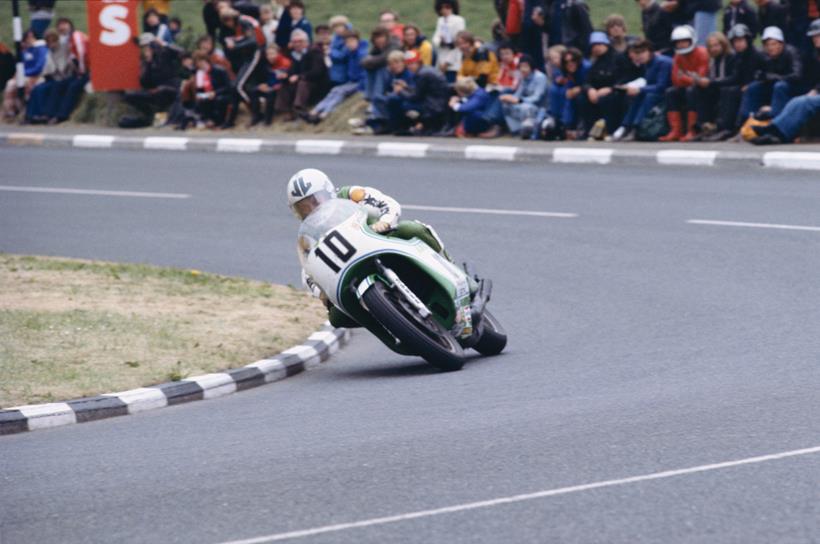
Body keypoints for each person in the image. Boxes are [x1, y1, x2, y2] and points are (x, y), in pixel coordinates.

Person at [288, 168, 472, 336]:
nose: (311, 209)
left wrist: (384, 222)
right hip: (351, 269)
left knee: (412, 229)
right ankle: (391, 326)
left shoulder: (351, 195)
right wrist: (322, 293)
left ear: (328, 190)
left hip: (383, 241)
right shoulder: (309, 234)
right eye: (302, 208)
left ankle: (455, 273)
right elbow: (309, 268)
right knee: (336, 316)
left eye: (314, 201)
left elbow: (388, 204)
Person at [751, 19, 820, 144]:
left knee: (804, 102)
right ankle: (774, 131)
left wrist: (816, 90)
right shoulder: (815, 54)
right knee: (795, 101)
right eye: (814, 36)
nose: (815, 38)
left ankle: (777, 133)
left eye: (818, 35)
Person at [738, 26, 802, 122]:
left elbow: (797, 75)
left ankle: (775, 120)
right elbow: (758, 73)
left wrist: (777, 77)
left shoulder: (791, 52)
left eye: (773, 44)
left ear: (781, 44)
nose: (770, 48)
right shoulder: (763, 55)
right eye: (767, 45)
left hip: (790, 86)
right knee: (751, 88)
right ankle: (747, 119)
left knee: (779, 86)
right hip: (772, 84)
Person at [613, 39, 673, 141]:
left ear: (650, 51)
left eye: (641, 52)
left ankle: (636, 127)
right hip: (655, 91)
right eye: (636, 53)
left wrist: (639, 89)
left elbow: (661, 86)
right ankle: (626, 126)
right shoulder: (647, 64)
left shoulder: (663, 62)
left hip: (667, 92)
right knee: (638, 95)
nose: (639, 56)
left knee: (647, 96)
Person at [304, 29, 368, 124]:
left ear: (357, 41)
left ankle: (324, 113)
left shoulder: (362, 54)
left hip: (359, 83)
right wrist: (331, 51)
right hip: (351, 81)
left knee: (340, 92)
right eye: (347, 42)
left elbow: (365, 73)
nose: (350, 44)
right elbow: (340, 56)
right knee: (334, 90)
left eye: (352, 41)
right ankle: (315, 111)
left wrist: (362, 86)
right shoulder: (350, 53)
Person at [659, 25, 710, 141]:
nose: (681, 45)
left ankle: (692, 130)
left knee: (691, 91)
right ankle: (676, 130)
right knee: (670, 92)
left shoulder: (702, 53)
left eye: (684, 41)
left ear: (692, 40)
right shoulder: (678, 56)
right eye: (678, 42)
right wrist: (689, 77)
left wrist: (685, 77)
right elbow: (675, 79)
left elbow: (699, 79)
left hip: (703, 89)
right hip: (686, 87)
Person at [220, 7, 267, 127]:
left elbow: (253, 41)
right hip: (248, 55)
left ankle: (258, 110)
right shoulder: (242, 21)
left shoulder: (243, 22)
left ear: (231, 19)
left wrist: (235, 44)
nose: (228, 25)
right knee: (237, 85)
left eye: (227, 22)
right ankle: (231, 120)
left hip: (256, 53)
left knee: (238, 86)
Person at [122, 33, 182, 126]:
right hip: (156, 90)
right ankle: (149, 115)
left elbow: (181, 52)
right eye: (143, 48)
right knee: (129, 96)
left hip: (170, 88)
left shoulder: (165, 53)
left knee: (162, 91)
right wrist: (148, 64)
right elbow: (145, 83)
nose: (145, 50)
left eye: (147, 47)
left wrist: (163, 43)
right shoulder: (147, 61)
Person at [389, 49, 450, 134]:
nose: (410, 67)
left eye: (413, 63)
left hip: (435, 107)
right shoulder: (425, 70)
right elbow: (420, 91)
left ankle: (406, 127)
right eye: (408, 64)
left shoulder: (422, 74)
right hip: (437, 102)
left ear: (419, 62)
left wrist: (400, 91)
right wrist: (406, 87)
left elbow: (415, 97)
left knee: (404, 104)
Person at [274, 29, 329, 120]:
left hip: (317, 83)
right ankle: (285, 110)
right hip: (302, 81)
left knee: (303, 83)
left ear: (307, 42)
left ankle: (299, 108)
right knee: (285, 83)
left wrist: (299, 76)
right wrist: (286, 76)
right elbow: (292, 71)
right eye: (295, 42)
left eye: (300, 41)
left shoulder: (315, 51)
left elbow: (318, 71)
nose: (298, 44)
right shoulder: (294, 55)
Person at [691, 31, 736, 139]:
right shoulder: (712, 60)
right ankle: (704, 124)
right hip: (716, 87)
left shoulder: (732, 57)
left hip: (730, 87)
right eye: (711, 46)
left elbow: (734, 78)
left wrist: (711, 82)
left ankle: (722, 127)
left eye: (716, 45)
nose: (714, 49)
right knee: (697, 89)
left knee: (727, 91)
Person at [580, 31, 622, 140]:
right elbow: (587, 81)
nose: (596, 48)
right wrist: (590, 90)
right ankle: (590, 131)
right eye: (594, 45)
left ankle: (609, 130)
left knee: (609, 100)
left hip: (613, 91)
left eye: (599, 44)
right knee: (582, 99)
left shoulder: (618, 59)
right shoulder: (594, 62)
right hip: (596, 92)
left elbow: (622, 78)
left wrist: (610, 88)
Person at [2, 30, 47, 121]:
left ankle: (27, 111)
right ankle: (11, 111)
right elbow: (21, 65)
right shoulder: (25, 50)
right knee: (11, 84)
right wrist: (19, 74)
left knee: (27, 86)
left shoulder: (41, 48)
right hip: (24, 75)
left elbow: (40, 66)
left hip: (37, 76)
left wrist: (26, 74)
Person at [500, 54, 548, 138]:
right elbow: (518, 93)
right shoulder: (523, 77)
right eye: (521, 67)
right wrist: (509, 98)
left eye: (525, 66)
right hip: (524, 102)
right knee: (505, 105)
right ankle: (516, 130)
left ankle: (529, 130)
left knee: (525, 108)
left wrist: (519, 100)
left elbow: (537, 98)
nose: (523, 69)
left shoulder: (540, 77)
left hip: (539, 107)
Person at [548, 46, 589, 136]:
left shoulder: (586, 67)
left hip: (588, 92)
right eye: (567, 62)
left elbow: (591, 82)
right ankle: (560, 122)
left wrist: (580, 88)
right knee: (556, 91)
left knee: (576, 97)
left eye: (573, 60)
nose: (570, 64)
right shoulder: (564, 70)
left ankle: (571, 125)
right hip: (571, 91)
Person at [188, 51, 232, 128]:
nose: (200, 64)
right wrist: (200, 94)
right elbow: (200, 88)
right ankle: (206, 120)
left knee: (219, 100)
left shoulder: (219, 70)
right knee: (200, 100)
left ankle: (218, 121)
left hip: (222, 94)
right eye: (197, 63)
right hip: (208, 94)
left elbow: (228, 86)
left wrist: (215, 93)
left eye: (201, 62)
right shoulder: (199, 73)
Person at [250, 44, 291, 125]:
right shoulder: (266, 63)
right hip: (270, 86)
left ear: (278, 53)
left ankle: (268, 120)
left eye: (272, 53)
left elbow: (285, 79)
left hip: (283, 89)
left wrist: (272, 86)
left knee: (270, 93)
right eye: (268, 54)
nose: (270, 56)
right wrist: (262, 85)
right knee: (254, 91)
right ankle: (256, 116)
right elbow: (265, 78)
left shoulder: (285, 62)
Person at [361, 27, 400, 102]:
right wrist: (370, 61)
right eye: (377, 38)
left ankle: (377, 96)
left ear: (387, 37)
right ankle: (369, 96)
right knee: (370, 68)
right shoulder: (377, 47)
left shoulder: (394, 44)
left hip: (397, 74)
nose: (379, 40)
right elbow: (364, 61)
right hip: (387, 72)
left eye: (382, 37)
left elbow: (385, 59)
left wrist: (370, 60)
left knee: (381, 68)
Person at [432, 0, 465, 82]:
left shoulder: (458, 20)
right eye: (442, 8)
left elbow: (458, 44)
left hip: (453, 63)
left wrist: (447, 63)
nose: (444, 10)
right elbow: (435, 38)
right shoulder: (440, 20)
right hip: (441, 60)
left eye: (447, 7)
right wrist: (441, 41)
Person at [327, 15, 352, 86]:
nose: (338, 29)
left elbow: (342, 55)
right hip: (335, 73)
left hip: (345, 72)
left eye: (340, 26)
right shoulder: (335, 38)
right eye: (335, 27)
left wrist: (331, 52)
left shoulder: (349, 37)